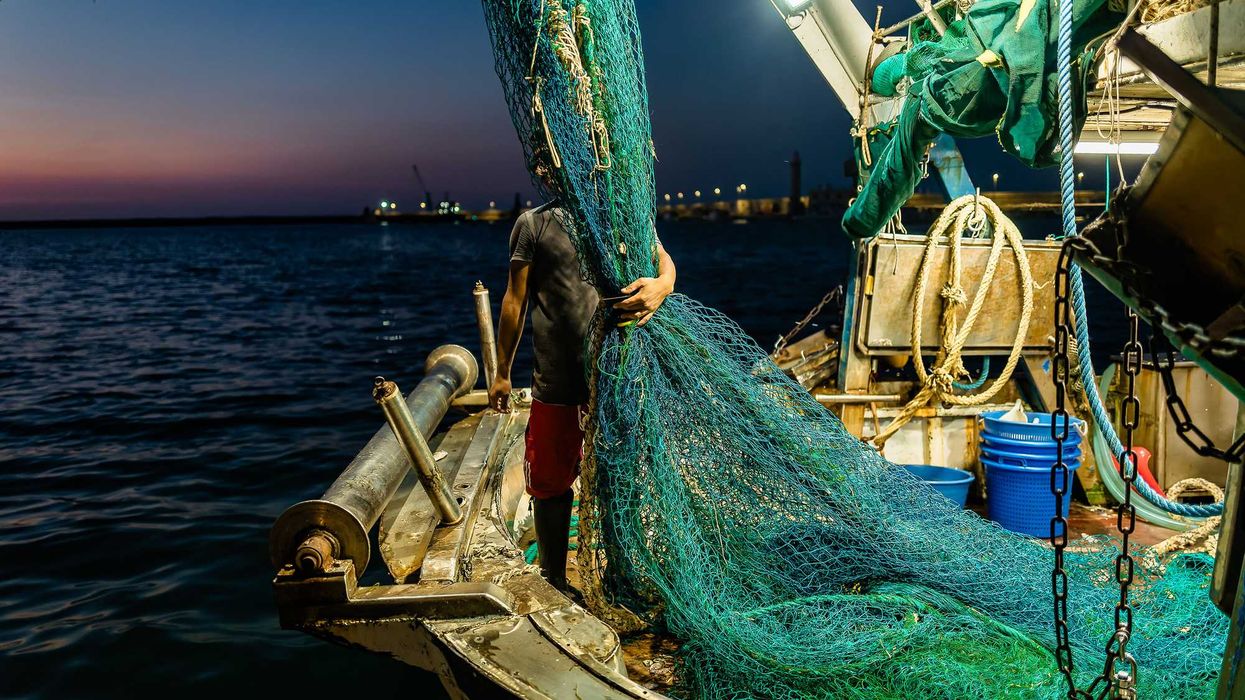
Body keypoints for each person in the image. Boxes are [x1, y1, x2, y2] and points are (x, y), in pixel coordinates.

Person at [489, 204, 676, 594]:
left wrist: (664, 285)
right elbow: (514, 301)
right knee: (549, 483)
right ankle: (553, 578)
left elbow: (664, 263)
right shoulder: (533, 224)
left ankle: (621, 577)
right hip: (556, 383)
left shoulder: (620, 206)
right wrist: (501, 372)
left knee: (620, 480)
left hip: (618, 379)